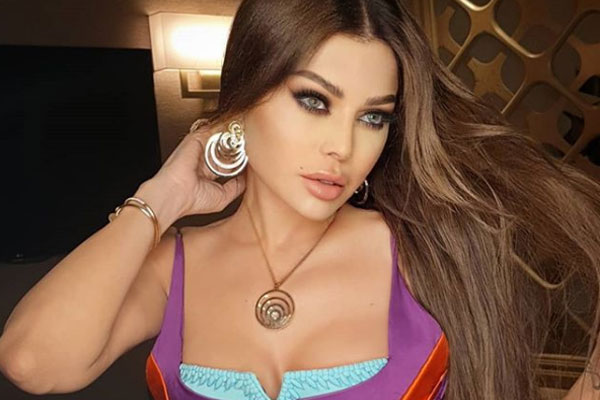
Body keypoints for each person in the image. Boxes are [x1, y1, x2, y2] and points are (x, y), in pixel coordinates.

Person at [1, 0, 600, 399]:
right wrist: (163, 196)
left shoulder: (427, 250)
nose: (343, 146)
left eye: (373, 117)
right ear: (242, 99)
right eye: (314, 101)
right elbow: (32, 362)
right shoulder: (172, 267)